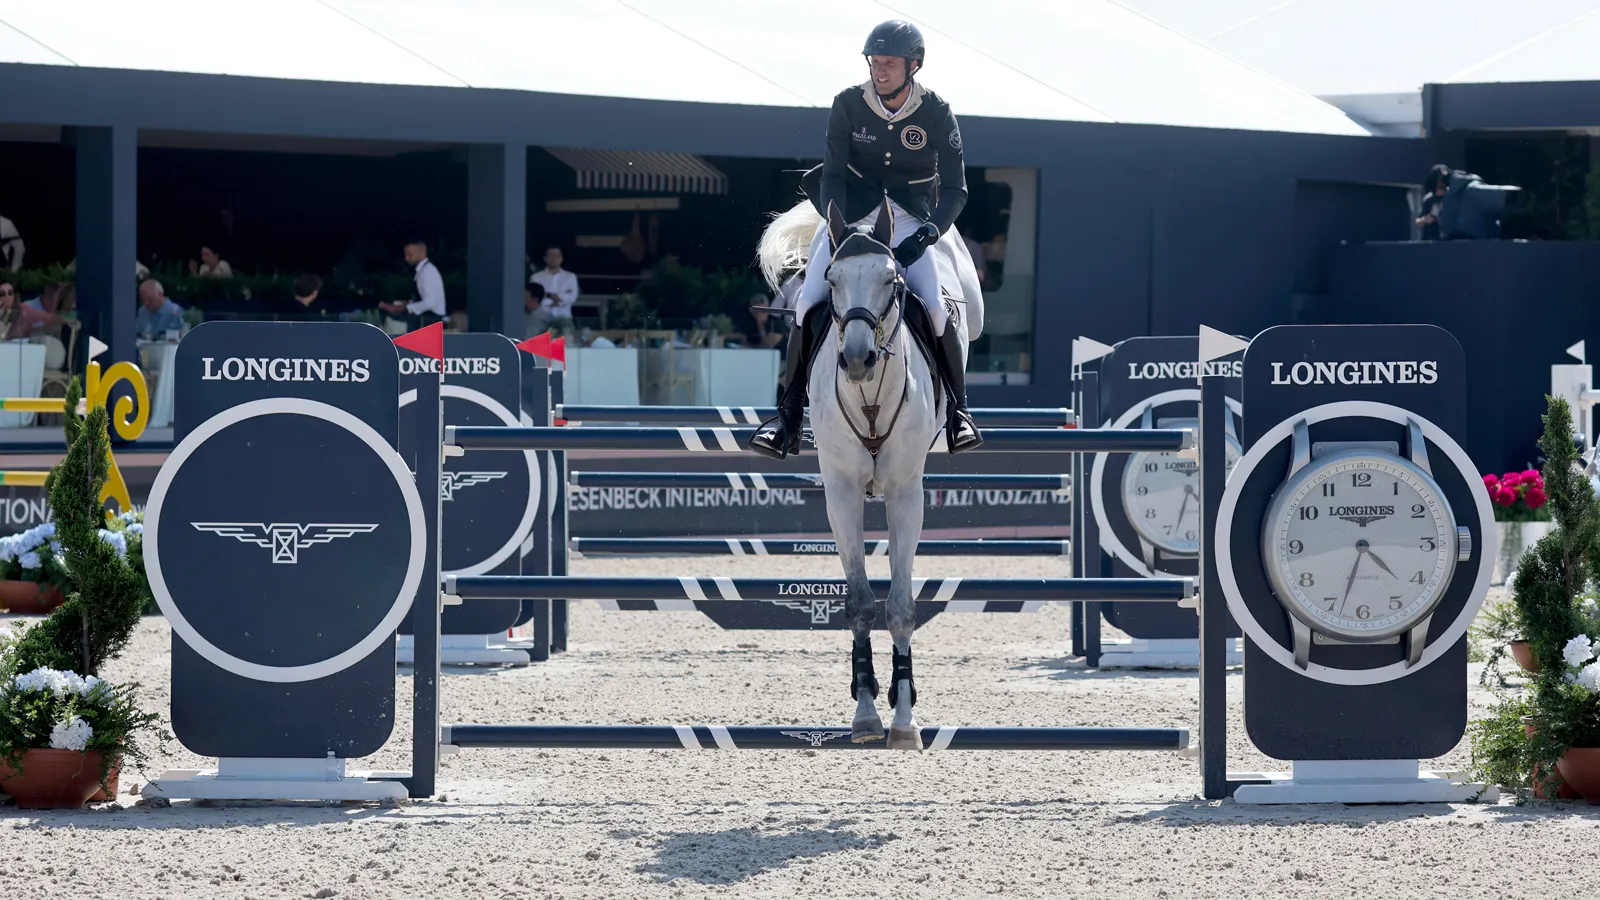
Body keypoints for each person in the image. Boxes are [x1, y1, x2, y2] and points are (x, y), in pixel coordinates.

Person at [748, 19, 981, 459]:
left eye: (889, 64)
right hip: (851, 217)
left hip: (909, 219)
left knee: (934, 308)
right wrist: (837, 227)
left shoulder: (936, 111)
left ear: (913, 65)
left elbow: (956, 190)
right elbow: (831, 176)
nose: (879, 71)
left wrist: (930, 233)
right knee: (806, 305)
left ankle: (959, 416)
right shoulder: (848, 104)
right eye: (875, 63)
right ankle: (788, 416)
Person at [379, 240, 446, 328]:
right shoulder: (422, 271)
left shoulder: (428, 272)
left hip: (430, 322)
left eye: (410, 255)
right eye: (405, 255)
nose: (406, 258)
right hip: (425, 321)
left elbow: (430, 302)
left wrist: (407, 308)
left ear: (421, 254)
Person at [529, 246, 579, 320]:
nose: (554, 258)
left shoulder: (570, 277)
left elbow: (572, 297)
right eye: (551, 255)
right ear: (545, 258)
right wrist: (555, 299)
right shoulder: (536, 277)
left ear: (561, 258)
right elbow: (533, 298)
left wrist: (549, 297)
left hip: (563, 318)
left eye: (557, 255)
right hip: (541, 319)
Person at [1416, 164, 1451, 241]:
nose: (1443, 181)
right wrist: (1425, 219)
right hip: (1430, 242)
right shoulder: (1429, 200)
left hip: (1446, 242)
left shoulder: (1451, 199)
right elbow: (1418, 223)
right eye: (1441, 179)